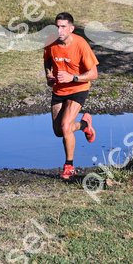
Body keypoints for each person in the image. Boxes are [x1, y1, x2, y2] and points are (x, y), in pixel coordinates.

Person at [43, 12, 99, 180]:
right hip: (59, 90)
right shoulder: (50, 42)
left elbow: (94, 74)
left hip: (78, 88)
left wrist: (72, 78)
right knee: (59, 131)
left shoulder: (81, 45)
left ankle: (69, 167)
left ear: (71, 28)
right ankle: (84, 125)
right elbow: (47, 60)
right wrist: (49, 75)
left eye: (63, 27)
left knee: (66, 126)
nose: (59, 31)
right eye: (57, 27)